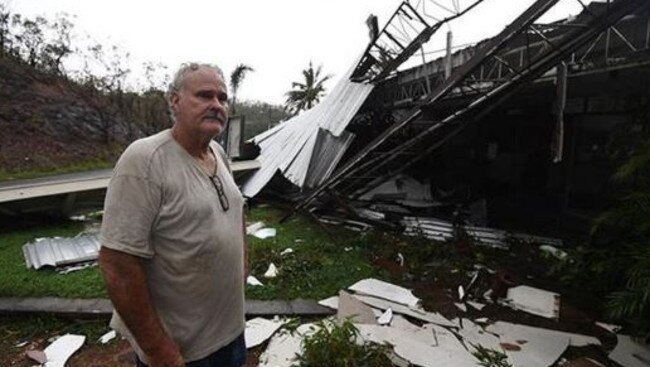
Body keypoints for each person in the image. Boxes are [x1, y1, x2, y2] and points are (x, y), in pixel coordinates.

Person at [98, 62, 248, 367]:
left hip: (231, 334)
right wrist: (159, 351)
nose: (216, 105)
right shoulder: (145, 159)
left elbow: (234, 214)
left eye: (222, 97)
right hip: (183, 351)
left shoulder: (218, 153)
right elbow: (118, 265)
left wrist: (241, 270)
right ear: (175, 101)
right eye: (205, 95)